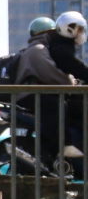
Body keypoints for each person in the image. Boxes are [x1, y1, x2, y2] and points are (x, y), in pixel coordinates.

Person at [14, 10, 88, 157]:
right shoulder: (38, 50)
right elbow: (53, 74)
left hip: (33, 92)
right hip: (27, 93)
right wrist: (71, 83)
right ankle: (64, 146)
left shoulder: (42, 49)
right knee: (57, 104)